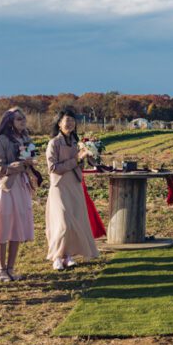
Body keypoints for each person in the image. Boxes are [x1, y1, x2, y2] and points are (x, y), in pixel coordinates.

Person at [45, 108, 100, 270]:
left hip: (75, 185)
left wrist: (90, 155)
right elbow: (53, 167)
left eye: (72, 120)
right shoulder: (54, 143)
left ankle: (68, 255)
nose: (69, 123)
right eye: (66, 120)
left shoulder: (77, 143)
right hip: (60, 185)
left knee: (75, 221)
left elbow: (85, 164)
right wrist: (76, 159)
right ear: (59, 123)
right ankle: (56, 256)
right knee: (62, 223)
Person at [0, 108, 40, 281]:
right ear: (9, 121)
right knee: (2, 227)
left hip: (22, 185)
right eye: (19, 119)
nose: (23, 121)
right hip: (6, 187)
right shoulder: (0, 140)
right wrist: (18, 165)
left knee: (17, 226)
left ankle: (11, 268)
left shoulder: (26, 138)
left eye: (24, 118)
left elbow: (31, 160)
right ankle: (0, 269)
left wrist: (30, 164)